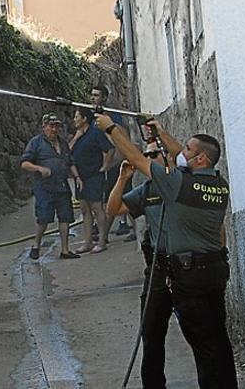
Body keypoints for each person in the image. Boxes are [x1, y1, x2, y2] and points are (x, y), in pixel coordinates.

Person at [94, 114, 238, 388]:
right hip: (214, 271)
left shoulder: (176, 185)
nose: (179, 152)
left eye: (187, 149)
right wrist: (160, 132)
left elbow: (137, 159)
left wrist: (111, 129)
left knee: (204, 346)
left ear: (200, 160)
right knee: (217, 339)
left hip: (189, 276)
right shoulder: (218, 185)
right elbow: (182, 157)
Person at [107, 142, 172, 389]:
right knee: (151, 335)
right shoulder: (147, 190)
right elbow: (113, 209)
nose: (146, 158)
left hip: (188, 268)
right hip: (158, 267)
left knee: (201, 336)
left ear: (167, 157)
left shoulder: (184, 184)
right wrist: (123, 178)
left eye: (152, 154)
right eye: (144, 154)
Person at [20, 113, 82, 260]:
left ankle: (65, 250)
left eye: (56, 126)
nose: (54, 129)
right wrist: (39, 169)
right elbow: (24, 163)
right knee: (44, 218)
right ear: (44, 127)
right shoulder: (36, 143)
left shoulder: (63, 143)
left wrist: (77, 177)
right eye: (51, 126)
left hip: (61, 186)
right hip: (44, 187)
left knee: (65, 217)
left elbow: (70, 161)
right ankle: (36, 245)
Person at [90, 84, 137, 242]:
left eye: (96, 95)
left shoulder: (112, 116)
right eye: (92, 95)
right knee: (112, 199)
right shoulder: (94, 118)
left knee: (120, 198)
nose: (93, 98)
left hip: (118, 163)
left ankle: (105, 238)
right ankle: (104, 235)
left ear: (104, 98)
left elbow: (121, 136)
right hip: (106, 165)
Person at [68, 107, 109, 254]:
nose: (74, 119)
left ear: (84, 119)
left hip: (94, 176)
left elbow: (109, 149)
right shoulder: (77, 136)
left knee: (97, 208)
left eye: (76, 116)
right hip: (80, 177)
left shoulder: (96, 133)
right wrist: (76, 137)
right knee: (84, 209)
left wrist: (105, 166)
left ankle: (102, 241)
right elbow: (67, 152)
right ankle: (88, 242)